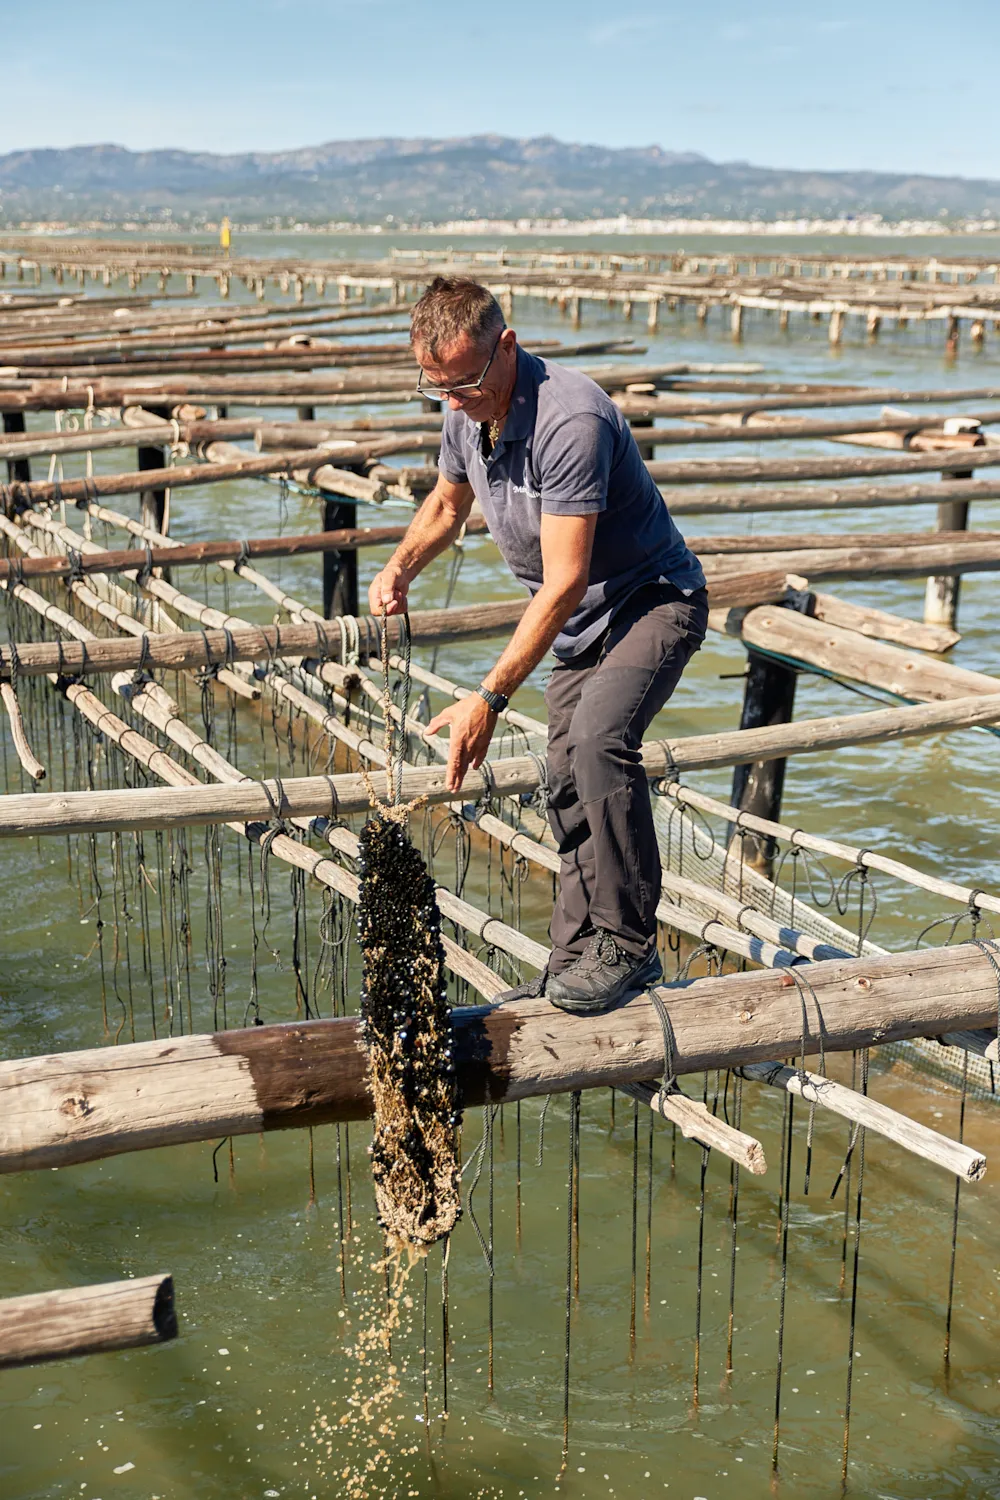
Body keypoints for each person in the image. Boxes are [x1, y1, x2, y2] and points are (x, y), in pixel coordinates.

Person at [368, 277, 708, 1015]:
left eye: (463, 384)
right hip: (581, 622)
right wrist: (399, 566)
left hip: (651, 602)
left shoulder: (571, 419)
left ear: (508, 347)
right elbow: (447, 503)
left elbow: (563, 581)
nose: (453, 402)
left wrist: (489, 697)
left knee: (597, 742)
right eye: (437, 391)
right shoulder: (466, 407)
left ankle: (629, 945)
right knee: (561, 770)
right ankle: (575, 952)